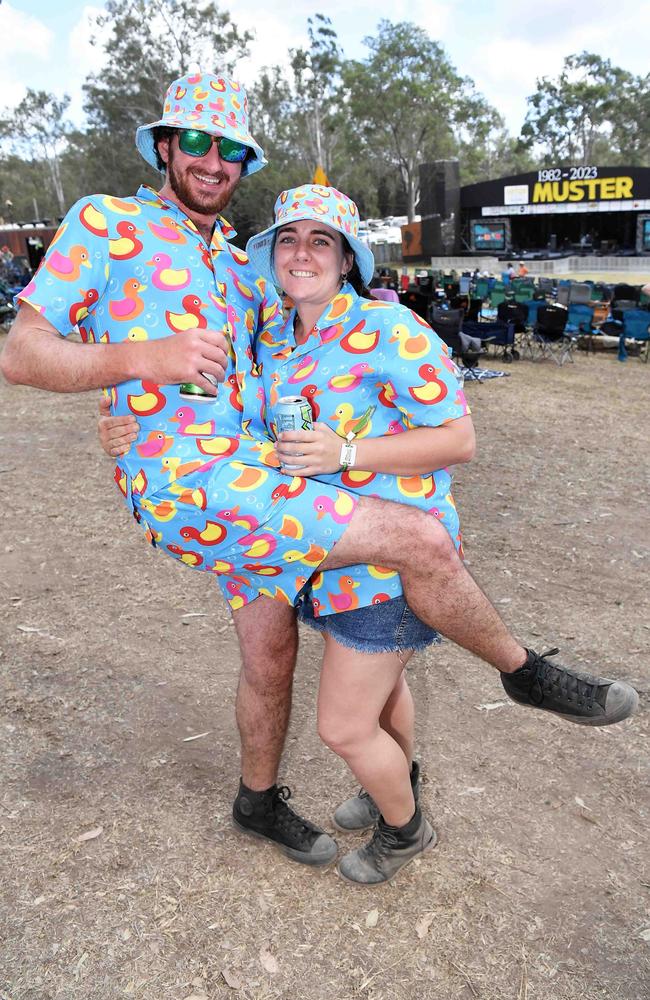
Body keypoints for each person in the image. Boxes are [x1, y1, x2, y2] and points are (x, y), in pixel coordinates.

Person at [1, 73, 638, 872]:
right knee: (416, 539)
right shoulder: (105, 222)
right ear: (163, 145)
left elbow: (284, 370)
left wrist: (122, 408)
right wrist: (136, 366)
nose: (212, 161)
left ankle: (256, 799)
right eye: (194, 141)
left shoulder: (241, 270)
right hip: (198, 487)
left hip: (259, 478)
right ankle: (524, 673)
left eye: (230, 150)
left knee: (272, 657)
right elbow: (22, 356)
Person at [100, 183, 476, 883]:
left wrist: (348, 455)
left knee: (342, 723)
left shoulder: (389, 328)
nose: (303, 252)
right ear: (271, 255)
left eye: (321, 240)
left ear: (346, 260)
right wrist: (125, 424)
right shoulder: (271, 336)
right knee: (384, 687)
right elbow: (204, 397)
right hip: (315, 547)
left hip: (386, 549)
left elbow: (459, 439)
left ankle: (406, 829)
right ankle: (391, 784)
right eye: (290, 239)